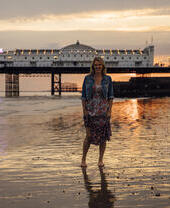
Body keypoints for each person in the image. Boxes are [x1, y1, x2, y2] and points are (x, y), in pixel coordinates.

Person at [81, 56, 114, 167]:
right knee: (88, 136)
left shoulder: (107, 79)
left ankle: (100, 160)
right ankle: (83, 160)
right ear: (93, 66)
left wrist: (109, 111)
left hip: (103, 111)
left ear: (103, 66)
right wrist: (84, 110)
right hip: (90, 110)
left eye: (99, 65)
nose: (98, 67)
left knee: (103, 137)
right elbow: (84, 96)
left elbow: (110, 96)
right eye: (96, 65)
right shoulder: (87, 78)